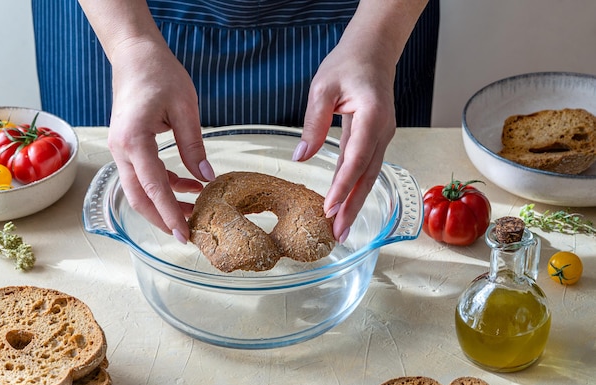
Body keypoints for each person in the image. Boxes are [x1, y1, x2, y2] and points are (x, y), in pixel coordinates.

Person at [31, 0, 439, 245]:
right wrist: (128, 44)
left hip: (360, 18)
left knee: (359, 171)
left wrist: (379, 39)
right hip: (120, 17)